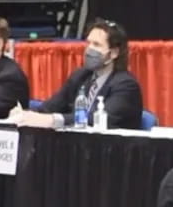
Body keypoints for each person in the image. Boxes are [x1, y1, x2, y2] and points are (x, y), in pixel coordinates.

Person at [10, 19, 143, 129]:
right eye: (88, 43)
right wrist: (27, 114)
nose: (89, 49)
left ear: (113, 53)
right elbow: (49, 108)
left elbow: (98, 119)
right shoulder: (81, 76)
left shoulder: (126, 85)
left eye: (96, 45)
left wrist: (53, 120)